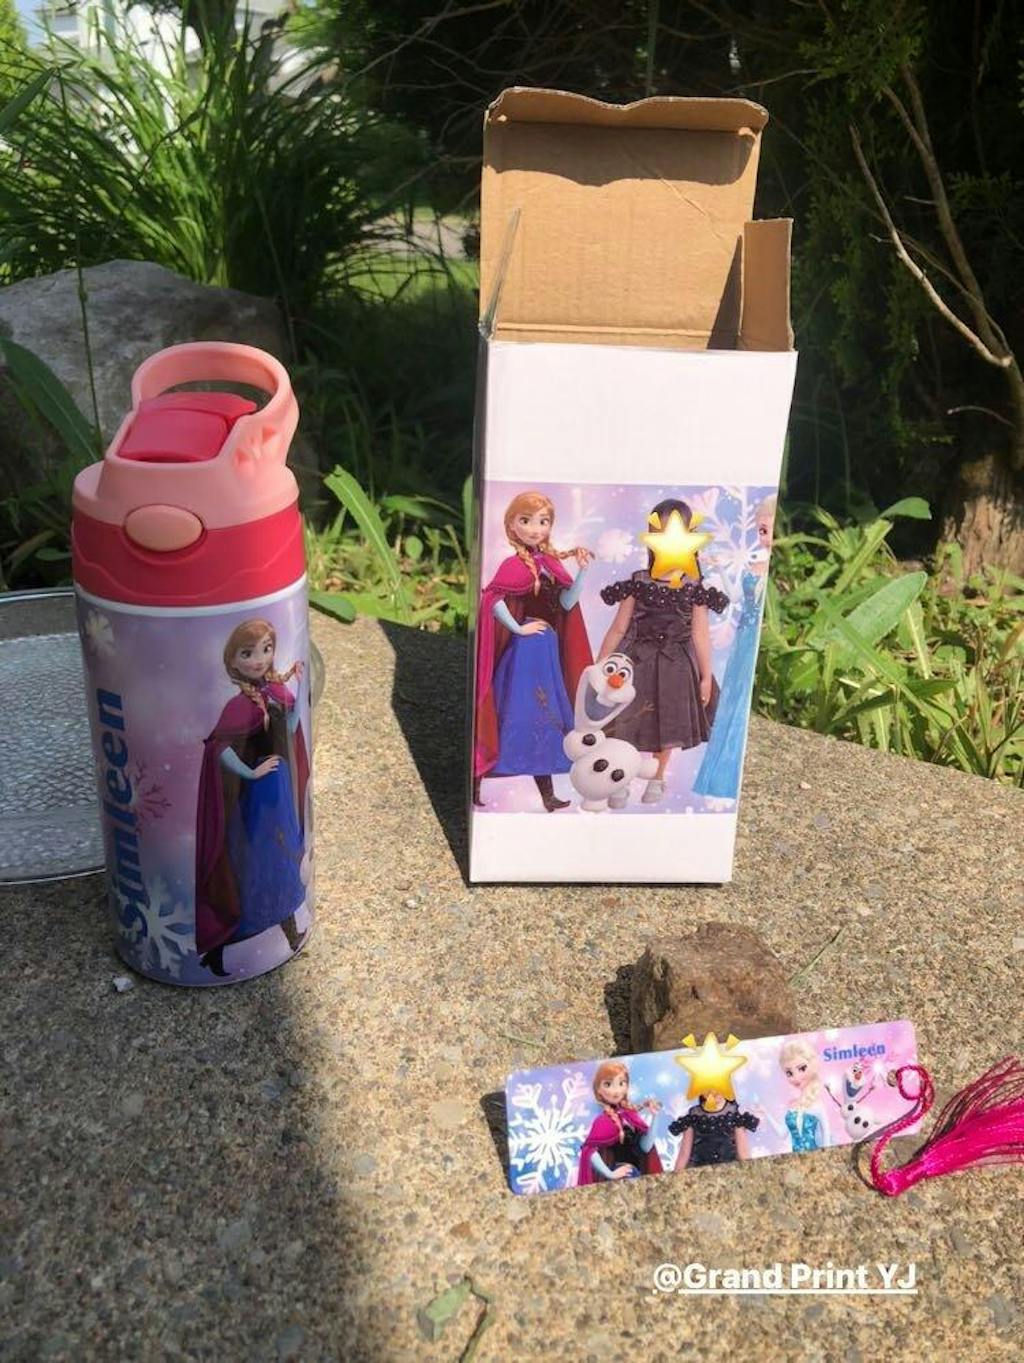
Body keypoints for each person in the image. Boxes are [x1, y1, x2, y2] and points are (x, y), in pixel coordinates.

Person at [195, 619, 309, 977]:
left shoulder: (276, 693)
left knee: (282, 862)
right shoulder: (236, 706)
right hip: (252, 800)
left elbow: (289, 731)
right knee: (251, 867)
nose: (259, 659)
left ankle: (291, 933)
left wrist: (298, 692)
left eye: (266, 649)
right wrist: (250, 772)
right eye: (248, 653)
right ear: (233, 660)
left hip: (278, 791)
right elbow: (218, 749)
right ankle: (216, 952)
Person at [598, 498, 728, 804]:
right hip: (636, 662)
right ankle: (621, 777)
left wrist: (705, 677)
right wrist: (600, 664)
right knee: (626, 721)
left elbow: (700, 634)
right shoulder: (638, 582)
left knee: (669, 721)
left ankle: (657, 777)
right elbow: (618, 628)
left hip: (677, 666)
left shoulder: (694, 587)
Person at [474, 491, 592, 812]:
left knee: (545, 715)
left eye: (543, 521)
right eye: (526, 521)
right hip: (525, 651)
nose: (535, 528)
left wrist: (582, 572)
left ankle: (548, 796)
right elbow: (492, 599)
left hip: (546, 650)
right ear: (511, 525)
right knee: (517, 709)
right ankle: (475, 783)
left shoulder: (551, 564)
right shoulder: (512, 565)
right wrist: (517, 628)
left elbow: (566, 603)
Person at [693, 495, 776, 799]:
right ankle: (723, 773)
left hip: (761, 637)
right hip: (745, 636)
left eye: (768, 530)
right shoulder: (754, 566)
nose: (764, 538)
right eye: (761, 531)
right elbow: (735, 597)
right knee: (734, 695)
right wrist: (721, 570)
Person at [577, 1062, 663, 1184]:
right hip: (621, 1177)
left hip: (638, 1174)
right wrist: (610, 1174)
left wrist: (655, 1117)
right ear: (598, 1090)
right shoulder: (602, 1121)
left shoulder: (630, 1115)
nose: (616, 1091)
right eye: (608, 1084)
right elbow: (589, 1150)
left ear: (627, 1086)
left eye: (621, 1083)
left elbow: (645, 1147)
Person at [670, 1090, 759, 1168]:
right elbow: (684, 1154)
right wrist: (676, 1177)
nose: (713, 1091)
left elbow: (743, 1152)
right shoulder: (693, 1116)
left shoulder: (735, 1114)